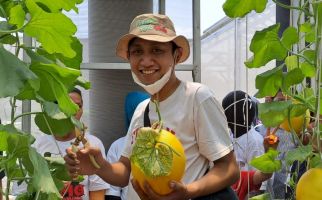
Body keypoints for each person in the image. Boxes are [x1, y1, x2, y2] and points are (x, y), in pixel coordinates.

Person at [64, 13, 239, 200]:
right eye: (137, 52)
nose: (146, 61)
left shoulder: (196, 97)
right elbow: (125, 171)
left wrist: (188, 191)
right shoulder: (142, 109)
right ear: (129, 58)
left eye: (157, 50)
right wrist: (98, 166)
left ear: (176, 55)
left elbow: (229, 168)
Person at [12, 88, 109, 200]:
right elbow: (23, 193)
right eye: (67, 105)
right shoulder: (35, 146)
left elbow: (97, 192)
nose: (73, 110)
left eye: (78, 106)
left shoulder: (92, 145)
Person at [105, 91, 149, 200]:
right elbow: (113, 191)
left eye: (147, 110)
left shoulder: (165, 140)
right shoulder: (118, 146)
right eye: (137, 112)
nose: (143, 116)